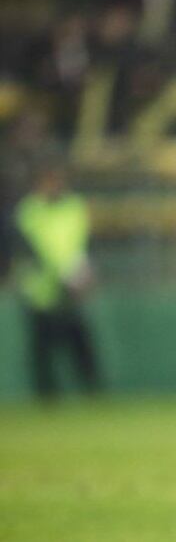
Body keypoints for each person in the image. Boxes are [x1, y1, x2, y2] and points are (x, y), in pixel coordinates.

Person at [13, 165, 101, 399]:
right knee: (42, 350)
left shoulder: (74, 207)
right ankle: (46, 397)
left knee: (81, 347)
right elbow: (34, 249)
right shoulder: (29, 211)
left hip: (71, 293)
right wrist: (65, 274)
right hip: (41, 293)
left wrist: (82, 272)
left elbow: (83, 243)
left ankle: (94, 393)